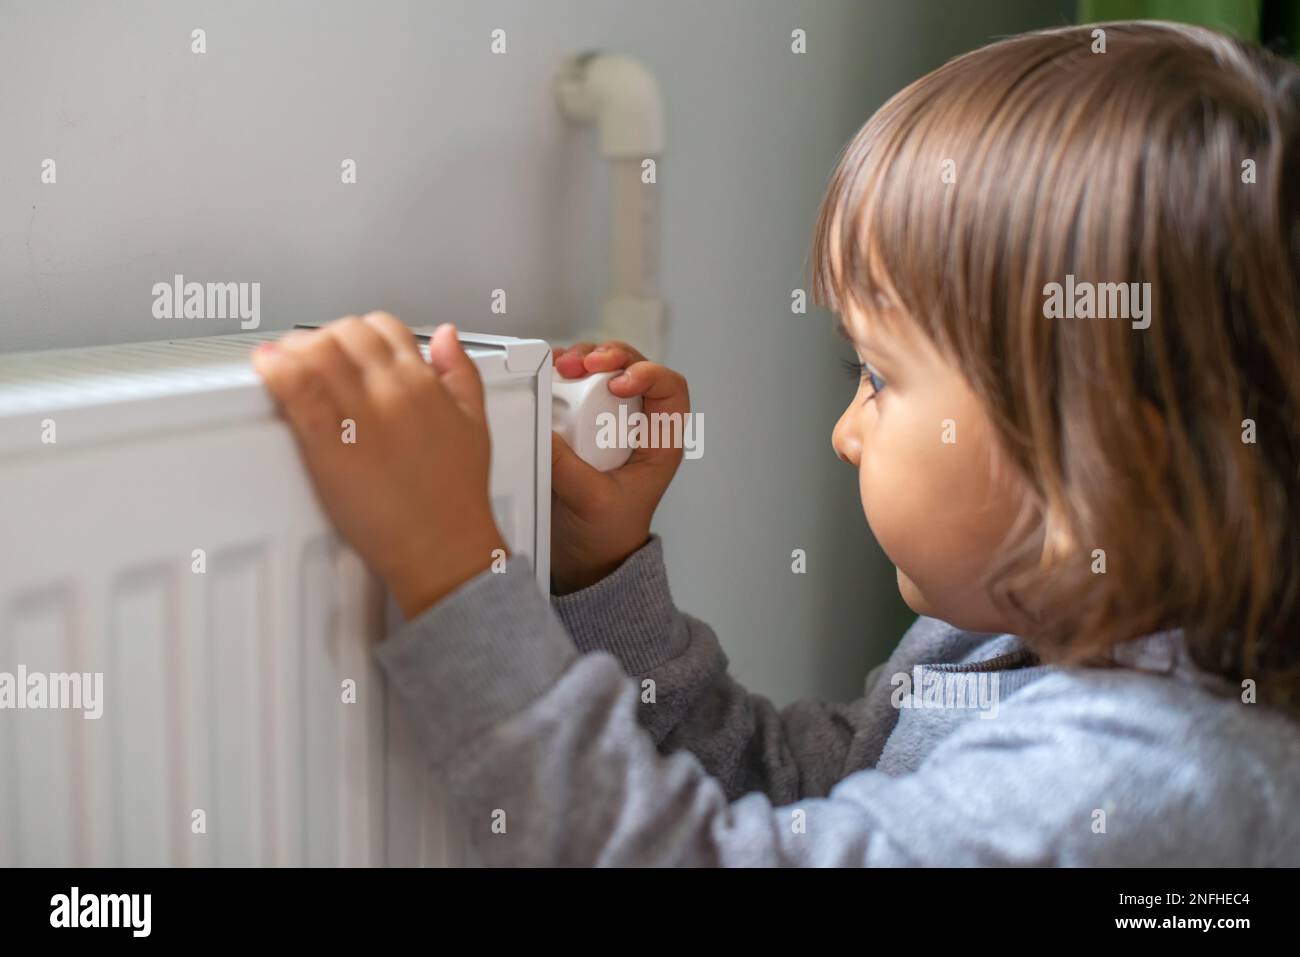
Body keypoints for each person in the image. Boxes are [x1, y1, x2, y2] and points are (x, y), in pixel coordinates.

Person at [251, 21, 1300, 865]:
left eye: (879, 378)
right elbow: (797, 802)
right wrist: (605, 572)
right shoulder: (1020, 647)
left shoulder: (1137, 792)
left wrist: (451, 576)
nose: (846, 434)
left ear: (1106, 458)